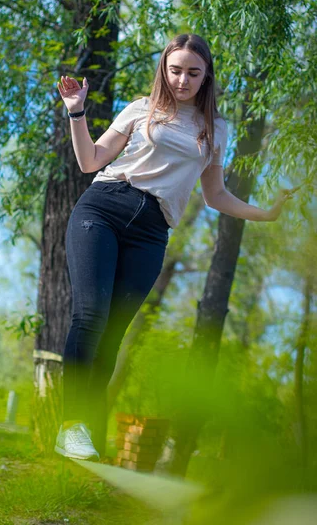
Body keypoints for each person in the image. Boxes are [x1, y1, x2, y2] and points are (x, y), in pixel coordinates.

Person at [54, 33, 297, 462]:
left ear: (206, 77)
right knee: (90, 314)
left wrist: (267, 213)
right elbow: (90, 161)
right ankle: (70, 424)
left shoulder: (215, 129)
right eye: (175, 69)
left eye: (193, 72)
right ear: (164, 70)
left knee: (111, 335)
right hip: (104, 208)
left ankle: (85, 434)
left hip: (152, 229)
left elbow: (215, 195)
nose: (182, 79)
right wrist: (77, 113)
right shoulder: (140, 109)